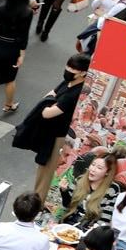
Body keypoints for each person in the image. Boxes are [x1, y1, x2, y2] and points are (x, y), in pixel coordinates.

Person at [23, 54, 90, 199]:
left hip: (58, 137)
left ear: (83, 72)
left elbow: (47, 112)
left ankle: (37, 205)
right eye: (68, 66)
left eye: (72, 68)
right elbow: (49, 96)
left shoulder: (75, 93)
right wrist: (48, 103)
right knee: (42, 170)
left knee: (46, 174)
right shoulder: (67, 83)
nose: (68, 70)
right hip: (49, 135)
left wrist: (48, 104)